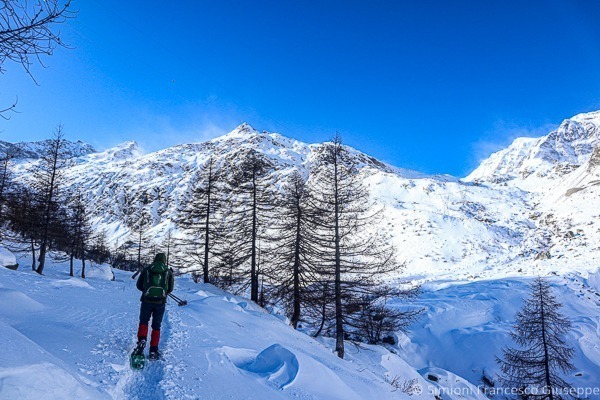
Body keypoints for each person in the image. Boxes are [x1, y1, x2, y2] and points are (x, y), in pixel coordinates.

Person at [135, 253, 174, 360]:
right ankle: (153, 350)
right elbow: (170, 289)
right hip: (160, 303)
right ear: (164, 260)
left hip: (146, 301)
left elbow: (138, 285)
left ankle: (142, 340)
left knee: (144, 322)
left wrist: (146, 290)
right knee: (156, 326)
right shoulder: (168, 271)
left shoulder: (147, 269)